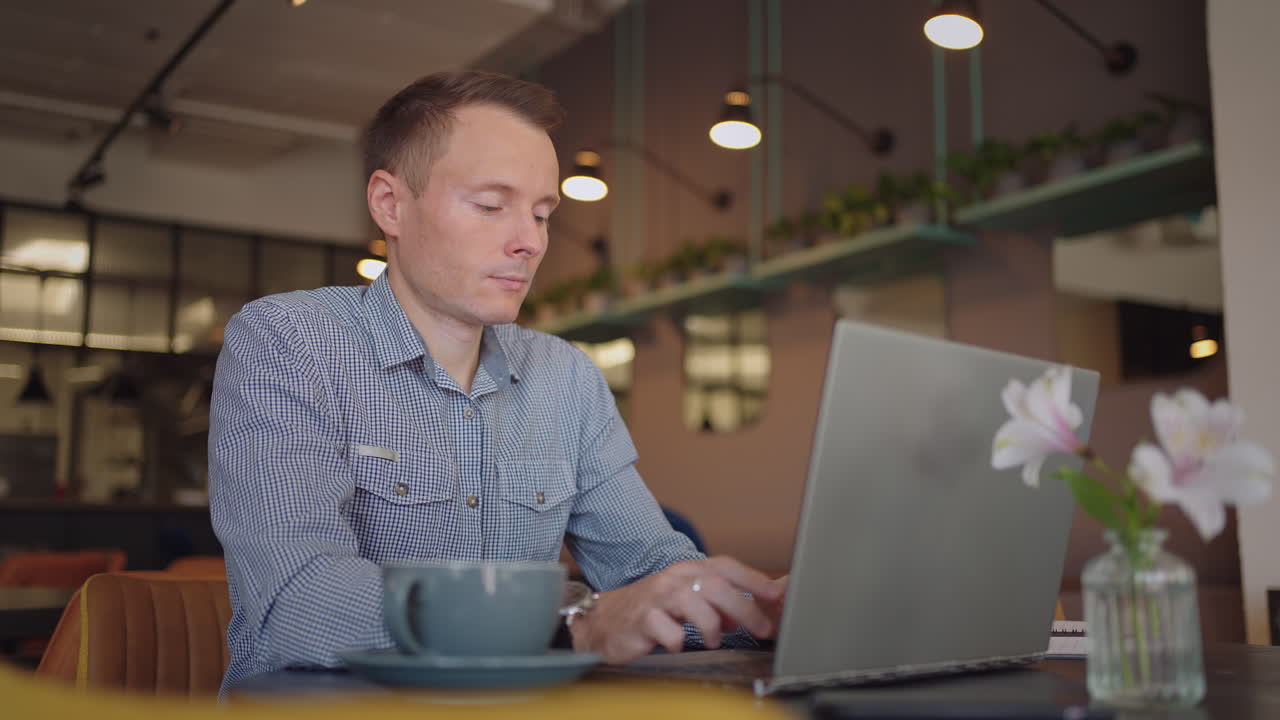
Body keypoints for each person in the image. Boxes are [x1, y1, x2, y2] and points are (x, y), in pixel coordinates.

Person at [208, 70, 785, 693]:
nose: (530, 242)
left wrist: (763, 609)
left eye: (542, 214)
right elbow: (298, 597)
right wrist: (572, 626)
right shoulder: (287, 342)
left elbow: (647, 566)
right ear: (390, 204)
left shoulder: (565, 377)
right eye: (490, 206)